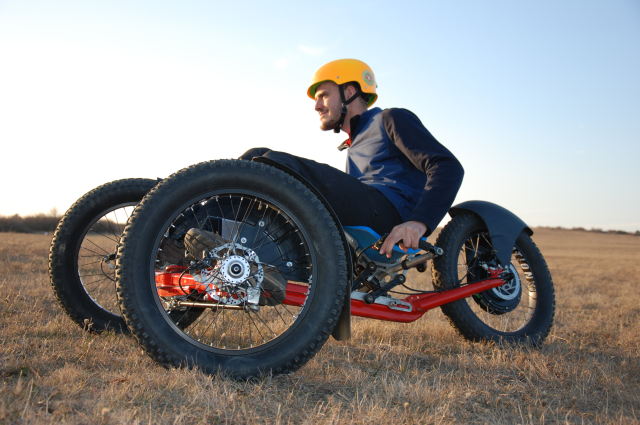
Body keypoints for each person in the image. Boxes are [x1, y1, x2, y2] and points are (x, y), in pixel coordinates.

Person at [240, 59, 464, 258]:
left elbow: (447, 166)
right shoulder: (353, 143)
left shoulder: (389, 118)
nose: (317, 106)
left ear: (348, 92)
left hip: (388, 212)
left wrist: (418, 223)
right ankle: (210, 233)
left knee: (276, 162)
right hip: (365, 210)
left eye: (324, 96)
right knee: (255, 155)